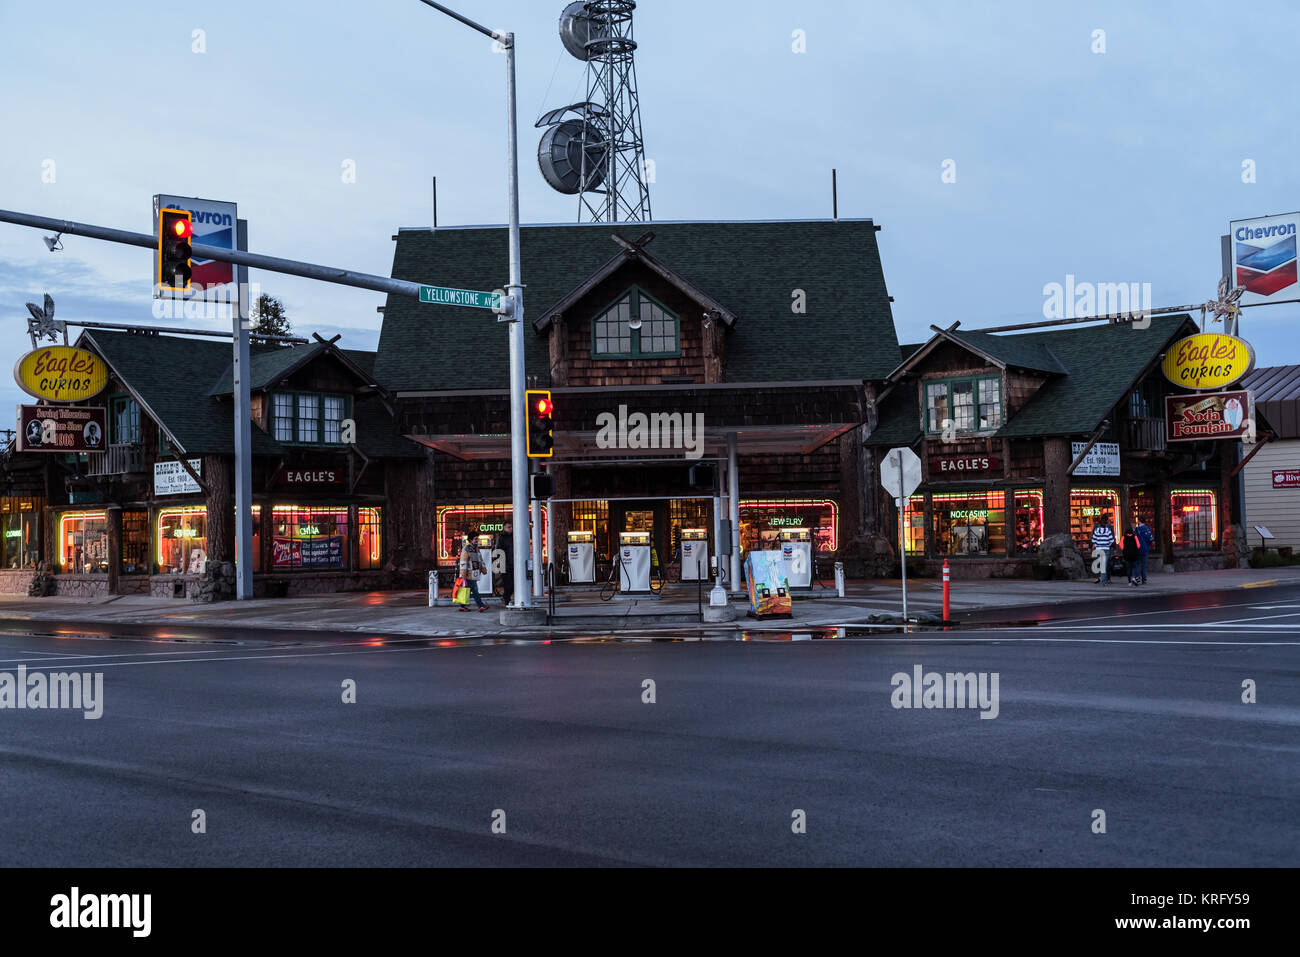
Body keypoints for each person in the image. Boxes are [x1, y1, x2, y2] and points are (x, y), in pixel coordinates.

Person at [457, 532, 488, 612]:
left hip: (473, 573)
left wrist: (483, 568)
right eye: (475, 538)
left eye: (477, 538)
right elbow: (463, 562)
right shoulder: (466, 549)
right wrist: (463, 574)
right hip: (468, 574)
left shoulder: (476, 548)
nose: (477, 540)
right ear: (471, 539)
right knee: (474, 590)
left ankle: (462, 606)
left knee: (468, 590)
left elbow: (480, 560)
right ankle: (480, 605)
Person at [1091, 517, 1116, 584]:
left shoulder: (1096, 531)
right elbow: (1111, 540)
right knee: (1104, 565)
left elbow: (1093, 540)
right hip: (1106, 549)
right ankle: (1103, 581)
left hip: (1098, 549)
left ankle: (1102, 580)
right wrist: (1107, 544)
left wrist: (1097, 544)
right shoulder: (1108, 531)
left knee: (1101, 565)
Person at [495, 521, 514, 607]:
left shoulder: (514, 536)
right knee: (507, 583)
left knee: (513, 583)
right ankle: (507, 599)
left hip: (513, 563)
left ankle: (506, 597)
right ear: (504, 528)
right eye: (509, 527)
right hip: (505, 563)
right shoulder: (501, 537)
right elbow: (498, 551)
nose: (511, 529)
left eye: (511, 527)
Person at [1134, 517, 1154, 584]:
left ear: (1139, 521)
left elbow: (1134, 538)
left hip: (1137, 549)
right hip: (1145, 549)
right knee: (1144, 565)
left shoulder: (1136, 530)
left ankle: (1137, 577)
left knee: (1136, 564)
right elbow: (1151, 539)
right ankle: (1144, 579)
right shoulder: (1147, 529)